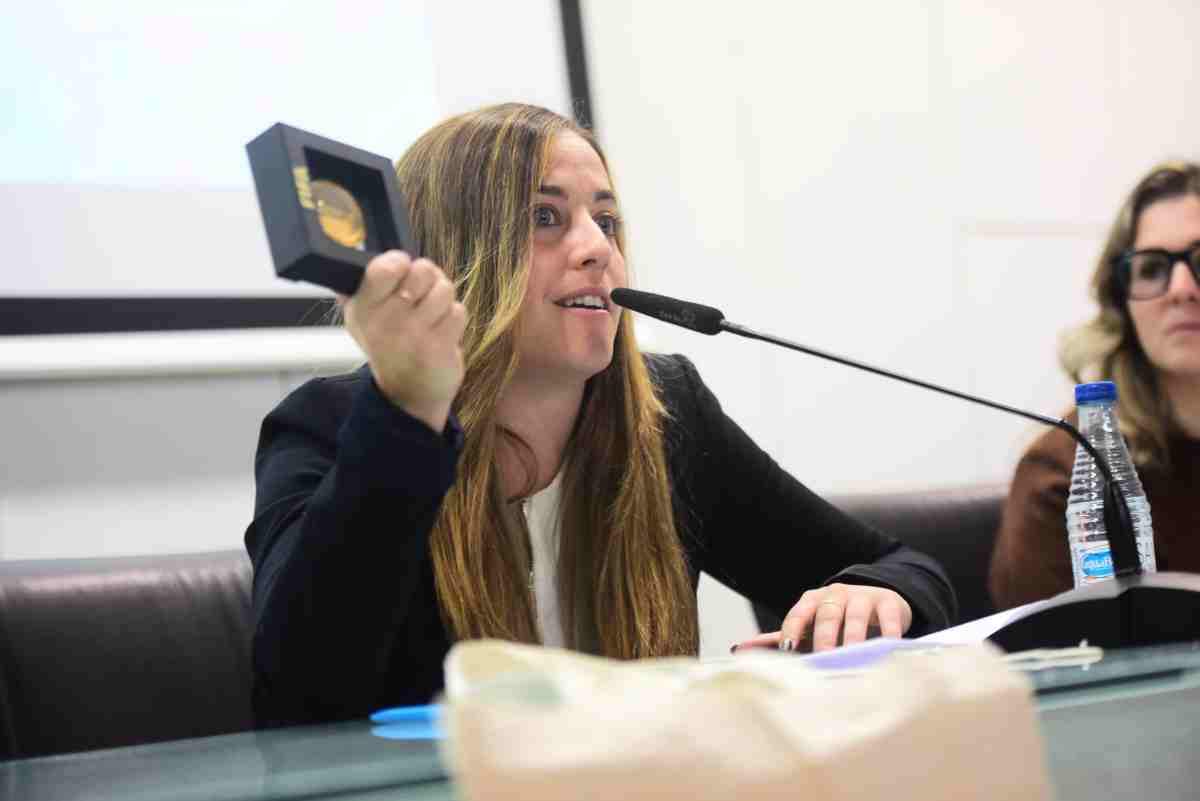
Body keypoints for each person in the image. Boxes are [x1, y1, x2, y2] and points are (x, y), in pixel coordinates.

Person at [245, 103, 956, 728]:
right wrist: (405, 412)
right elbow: (299, 696)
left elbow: (904, 566)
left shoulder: (671, 414)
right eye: (546, 217)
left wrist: (875, 593)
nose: (598, 249)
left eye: (607, 220)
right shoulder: (329, 428)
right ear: (454, 257)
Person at [990, 161, 1200, 609]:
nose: (1182, 289)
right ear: (1122, 303)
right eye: (1152, 268)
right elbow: (1062, 661)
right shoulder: (1065, 472)